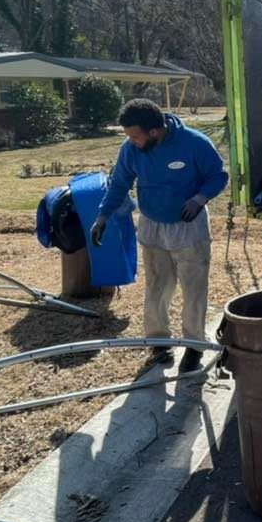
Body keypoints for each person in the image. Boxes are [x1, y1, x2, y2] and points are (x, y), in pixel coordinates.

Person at [92, 98, 228, 370]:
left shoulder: (194, 143)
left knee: (193, 289)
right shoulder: (131, 149)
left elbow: (218, 175)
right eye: (128, 136)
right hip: (152, 224)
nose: (132, 141)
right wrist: (103, 215)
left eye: (136, 136)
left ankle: (194, 346)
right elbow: (119, 183)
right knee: (156, 286)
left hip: (188, 225)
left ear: (155, 131)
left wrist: (199, 199)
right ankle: (159, 344)